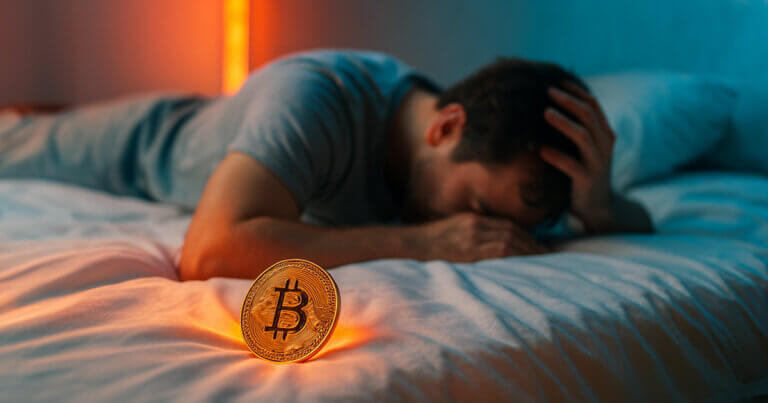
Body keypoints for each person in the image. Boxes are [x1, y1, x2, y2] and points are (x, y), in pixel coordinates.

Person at [0, 50, 652, 280]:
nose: (476, 230)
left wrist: (599, 205)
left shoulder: (474, 161)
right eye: (477, 209)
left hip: (226, 130)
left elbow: (634, 227)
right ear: (446, 126)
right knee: (19, 138)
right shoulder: (317, 97)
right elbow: (209, 251)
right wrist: (425, 241)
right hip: (143, 145)